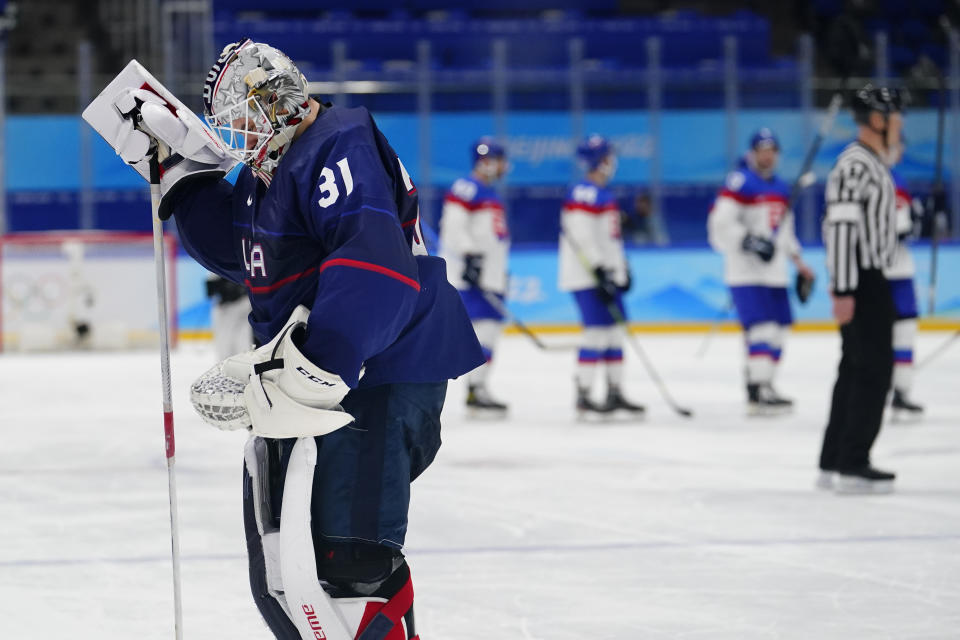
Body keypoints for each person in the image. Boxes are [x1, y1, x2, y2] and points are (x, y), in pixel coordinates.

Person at [105, 39, 483, 639]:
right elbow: (247, 257)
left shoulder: (337, 143)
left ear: (271, 102)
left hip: (376, 369)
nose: (239, 137)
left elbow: (374, 266)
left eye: (242, 121)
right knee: (286, 569)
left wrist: (312, 369)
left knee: (346, 564)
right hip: (334, 370)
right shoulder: (274, 169)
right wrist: (184, 176)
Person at [819, 85, 903, 494]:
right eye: (894, 115)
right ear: (876, 119)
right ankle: (853, 461)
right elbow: (841, 228)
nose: (900, 123)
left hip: (868, 278)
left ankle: (836, 458)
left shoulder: (871, 163)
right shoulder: (856, 165)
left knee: (855, 369)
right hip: (863, 281)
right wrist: (844, 288)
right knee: (871, 372)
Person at [707, 128, 815, 414]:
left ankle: (768, 384)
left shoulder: (781, 188)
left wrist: (798, 261)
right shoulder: (740, 182)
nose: (767, 156)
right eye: (762, 150)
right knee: (761, 331)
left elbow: (786, 232)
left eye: (772, 150)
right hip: (745, 273)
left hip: (775, 273)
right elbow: (720, 223)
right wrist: (748, 240)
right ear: (752, 153)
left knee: (778, 332)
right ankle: (756, 389)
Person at [558, 135, 644, 418]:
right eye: (607, 156)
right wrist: (600, 269)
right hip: (589, 277)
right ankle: (583, 394)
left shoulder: (603, 194)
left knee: (614, 334)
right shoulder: (584, 193)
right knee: (595, 334)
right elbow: (582, 237)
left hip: (606, 276)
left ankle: (615, 391)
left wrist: (621, 270)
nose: (612, 161)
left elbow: (609, 240)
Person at [439, 137, 511, 415]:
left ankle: (477, 389)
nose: (505, 166)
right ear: (487, 162)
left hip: (487, 276)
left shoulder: (488, 192)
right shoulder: (467, 187)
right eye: (501, 160)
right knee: (480, 332)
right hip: (471, 277)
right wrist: (470, 258)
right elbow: (453, 227)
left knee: (488, 332)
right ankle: (475, 389)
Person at [885, 143, 925, 416]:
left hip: (902, 271)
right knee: (876, 338)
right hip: (876, 272)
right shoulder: (865, 173)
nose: (899, 149)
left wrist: (917, 220)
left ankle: (901, 391)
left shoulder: (899, 179)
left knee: (906, 332)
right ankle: (875, 393)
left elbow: (908, 229)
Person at [206, 274, 254, 360]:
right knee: (224, 344)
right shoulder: (214, 268)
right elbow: (209, 290)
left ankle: (242, 365)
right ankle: (226, 367)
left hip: (243, 304)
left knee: (242, 341)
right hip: (226, 308)